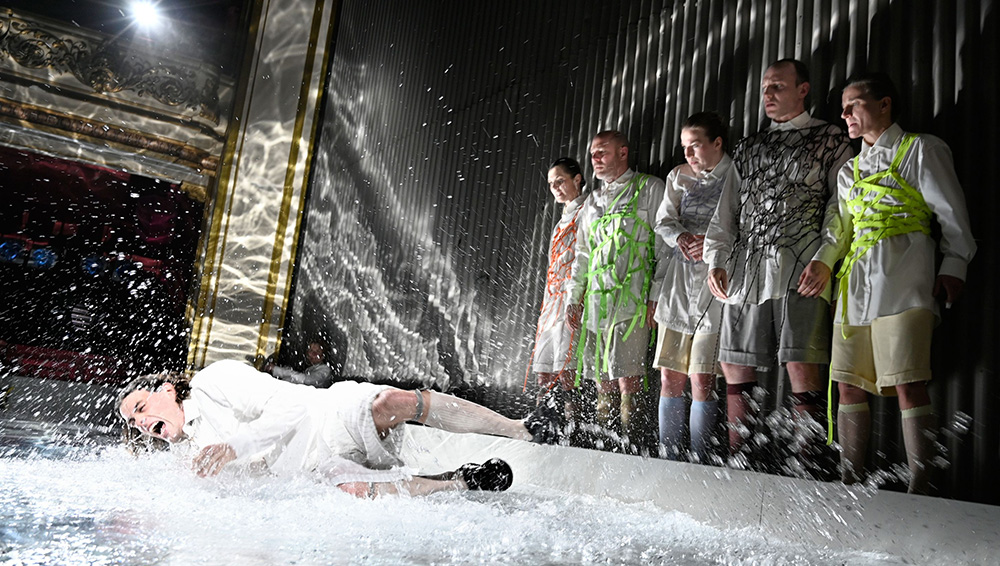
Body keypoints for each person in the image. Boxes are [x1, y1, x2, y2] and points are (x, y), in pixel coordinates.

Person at [816, 73, 975, 493]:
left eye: (854, 104)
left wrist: (954, 265)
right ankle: (849, 479)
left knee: (908, 381)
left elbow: (952, 216)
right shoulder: (849, 171)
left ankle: (921, 485)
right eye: (843, 108)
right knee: (848, 383)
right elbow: (840, 231)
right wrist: (824, 268)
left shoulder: (921, 149)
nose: (845, 114)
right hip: (854, 287)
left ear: (884, 104)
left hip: (906, 279)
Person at [118, 360, 559, 497]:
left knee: (391, 403)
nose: (141, 424)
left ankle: (519, 428)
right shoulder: (188, 452)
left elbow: (291, 407)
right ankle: (462, 480)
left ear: (166, 389)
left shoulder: (211, 381)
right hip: (312, 466)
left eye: (140, 408)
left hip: (326, 414)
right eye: (134, 424)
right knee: (354, 490)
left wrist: (234, 446)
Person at [704, 59, 851, 468]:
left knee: (802, 362)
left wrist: (826, 258)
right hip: (747, 270)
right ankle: (742, 459)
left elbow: (841, 206)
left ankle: (809, 463)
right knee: (734, 362)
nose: (768, 94)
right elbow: (726, 213)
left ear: (803, 89)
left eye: (777, 87)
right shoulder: (748, 147)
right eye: (765, 87)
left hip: (802, 267)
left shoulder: (830, 138)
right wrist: (716, 260)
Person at [567, 131, 665, 445]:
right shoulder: (592, 201)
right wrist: (574, 297)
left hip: (633, 303)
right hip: (597, 304)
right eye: (592, 154)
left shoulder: (650, 188)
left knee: (628, 379)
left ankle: (631, 444)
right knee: (601, 380)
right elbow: (582, 254)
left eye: (602, 152)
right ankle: (605, 447)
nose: (595, 159)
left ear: (623, 152)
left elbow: (665, 247)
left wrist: (656, 295)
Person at [651, 112, 736, 462]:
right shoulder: (678, 176)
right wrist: (680, 237)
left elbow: (738, 224)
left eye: (695, 146)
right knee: (670, 377)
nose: (688, 154)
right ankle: (669, 456)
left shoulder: (735, 174)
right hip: (678, 283)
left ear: (717, 143)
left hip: (715, 287)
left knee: (702, 380)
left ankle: (701, 459)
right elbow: (663, 221)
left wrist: (712, 246)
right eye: (684, 147)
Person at [528, 158, 588, 418]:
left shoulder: (588, 210)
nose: (555, 188)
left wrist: (577, 299)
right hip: (552, 303)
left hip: (572, 299)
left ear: (577, 179)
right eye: (551, 184)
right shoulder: (559, 222)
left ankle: (570, 426)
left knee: (566, 372)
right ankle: (543, 423)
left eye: (560, 181)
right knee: (544, 372)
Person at [266, 340, 335, 388]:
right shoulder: (310, 368)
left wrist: (277, 370)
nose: (312, 354)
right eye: (311, 351)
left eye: (317, 352)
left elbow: (306, 380)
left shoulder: (325, 370)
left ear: (323, 356)